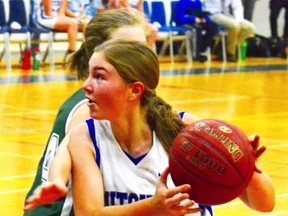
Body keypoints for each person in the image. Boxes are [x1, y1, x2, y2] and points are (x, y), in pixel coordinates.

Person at [24, 39, 275, 215]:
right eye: (88, 75)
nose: (86, 86)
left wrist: (247, 169)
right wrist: (152, 209)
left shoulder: (187, 131)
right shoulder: (86, 136)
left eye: (99, 76)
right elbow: (90, 214)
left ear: (135, 90)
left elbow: (264, 204)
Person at [23, 8, 150, 216]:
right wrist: (56, 180)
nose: (139, 57)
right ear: (97, 55)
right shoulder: (90, 107)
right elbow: (66, 149)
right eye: (127, 48)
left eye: (142, 47)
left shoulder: (123, 98)